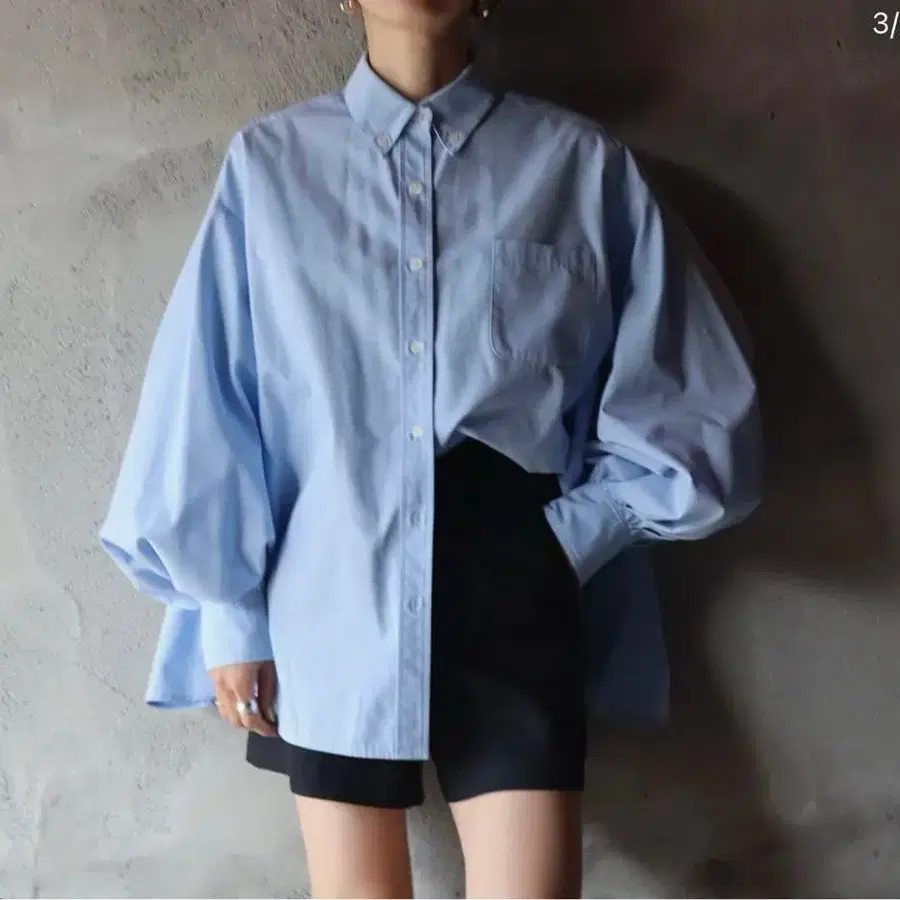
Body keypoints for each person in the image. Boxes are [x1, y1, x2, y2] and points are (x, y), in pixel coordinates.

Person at [99, 0, 762, 895]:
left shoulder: (579, 166)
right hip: (328, 587)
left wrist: (565, 543)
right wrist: (231, 613)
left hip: (514, 579)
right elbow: (212, 396)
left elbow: (694, 398)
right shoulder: (271, 166)